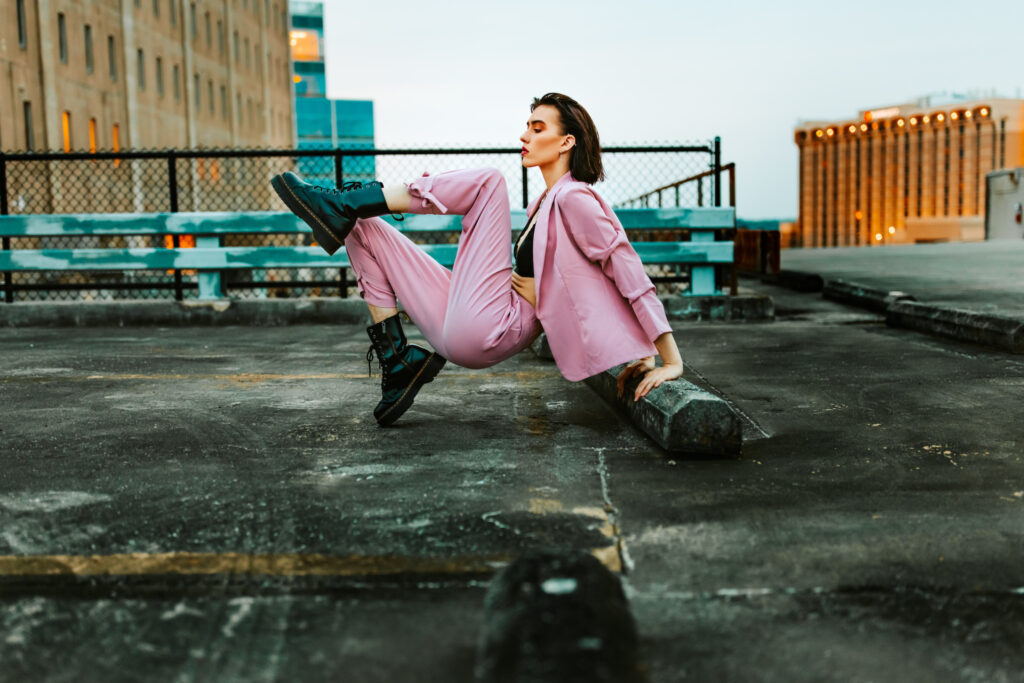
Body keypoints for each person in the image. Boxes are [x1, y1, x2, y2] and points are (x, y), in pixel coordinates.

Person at [270, 92, 683, 427]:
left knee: (489, 182)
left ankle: (348, 198)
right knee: (362, 227)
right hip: (465, 324)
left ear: (566, 142)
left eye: (537, 128)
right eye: (526, 126)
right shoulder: (544, 202)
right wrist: (637, 350)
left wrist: (669, 359)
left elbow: (625, 271)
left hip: (494, 326)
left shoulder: (576, 197)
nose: (524, 135)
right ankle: (397, 362)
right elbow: (591, 280)